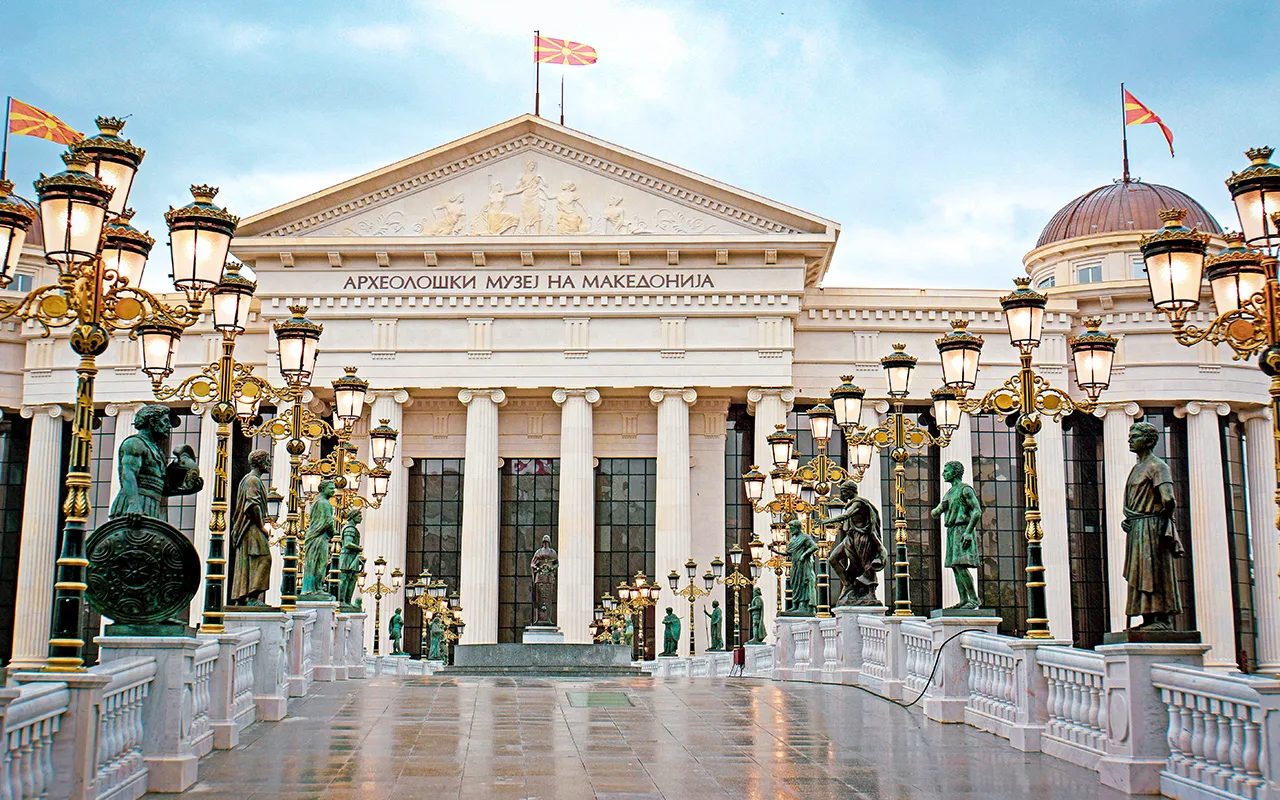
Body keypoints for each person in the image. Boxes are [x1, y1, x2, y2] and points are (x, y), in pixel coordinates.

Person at [1122, 421, 1186, 630]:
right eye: (1130, 436)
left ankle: (1162, 619)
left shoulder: (1158, 466)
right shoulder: (1137, 467)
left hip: (1151, 526)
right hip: (1138, 526)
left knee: (1154, 571)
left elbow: (1168, 498)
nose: (1130, 440)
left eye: (1135, 436)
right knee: (1140, 572)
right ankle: (1148, 619)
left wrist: (1159, 520)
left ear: (1148, 441)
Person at [108, 404, 204, 521]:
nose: (168, 426)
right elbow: (128, 474)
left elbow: (160, 488)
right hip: (135, 503)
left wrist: (188, 490)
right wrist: (134, 504)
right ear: (152, 421)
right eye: (165, 421)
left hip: (152, 504)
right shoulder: (135, 443)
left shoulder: (157, 451)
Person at [818, 480, 886, 606]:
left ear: (852, 490)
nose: (843, 494)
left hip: (861, 537)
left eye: (845, 491)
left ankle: (870, 593)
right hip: (850, 537)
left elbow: (846, 516)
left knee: (866, 565)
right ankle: (848, 584)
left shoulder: (858, 503)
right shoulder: (851, 504)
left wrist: (827, 521)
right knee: (833, 559)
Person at [931, 461, 983, 609]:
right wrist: (941, 507)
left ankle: (973, 599)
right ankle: (963, 599)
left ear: (955, 472)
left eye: (946, 471)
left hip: (962, 529)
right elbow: (934, 513)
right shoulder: (949, 493)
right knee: (955, 566)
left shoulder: (965, 489)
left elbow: (977, 511)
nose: (943, 474)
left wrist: (968, 532)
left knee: (960, 565)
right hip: (952, 530)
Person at [230, 448, 272, 605]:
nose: (270, 464)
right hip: (251, 527)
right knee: (263, 559)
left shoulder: (253, 480)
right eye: (267, 460)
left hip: (251, 527)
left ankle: (245, 597)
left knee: (251, 561)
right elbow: (252, 505)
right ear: (260, 462)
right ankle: (252, 599)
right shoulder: (252, 480)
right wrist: (262, 526)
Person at [302, 481, 337, 597]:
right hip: (319, 536)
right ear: (323, 489)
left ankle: (311, 588)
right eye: (331, 488)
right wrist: (335, 534)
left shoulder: (317, 501)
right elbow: (327, 521)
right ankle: (315, 588)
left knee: (313, 562)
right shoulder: (324, 503)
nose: (334, 491)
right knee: (320, 563)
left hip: (315, 536)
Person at [784, 518, 818, 615]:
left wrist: (804, 555)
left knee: (803, 583)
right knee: (794, 583)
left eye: (792, 527)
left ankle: (803, 605)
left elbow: (814, 547)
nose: (790, 530)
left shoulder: (805, 537)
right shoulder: (793, 540)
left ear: (797, 528)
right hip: (795, 565)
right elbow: (788, 553)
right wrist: (774, 551)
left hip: (803, 565)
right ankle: (795, 605)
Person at [530, 534, 559, 625]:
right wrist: (537, 568)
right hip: (540, 577)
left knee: (548, 598)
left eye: (547, 542)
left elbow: (557, 563)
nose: (545, 543)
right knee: (539, 598)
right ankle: (538, 619)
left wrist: (552, 568)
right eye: (544, 542)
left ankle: (548, 618)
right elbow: (532, 564)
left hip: (549, 577)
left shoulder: (552, 552)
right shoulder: (538, 552)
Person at [338, 509, 364, 606]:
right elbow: (347, 543)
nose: (361, 518)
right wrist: (359, 548)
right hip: (347, 557)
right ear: (353, 517)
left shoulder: (352, 528)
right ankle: (341, 601)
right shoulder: (350, 529)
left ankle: (347, 602)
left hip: (352, 556)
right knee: (345, 579)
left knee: (352, 579)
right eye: (359, 516)